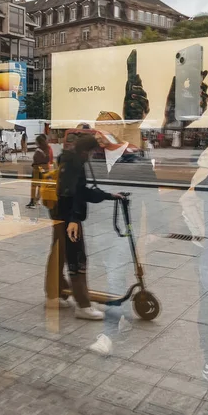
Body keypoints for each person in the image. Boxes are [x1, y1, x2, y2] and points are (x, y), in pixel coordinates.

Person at [45, 134, 121, 320]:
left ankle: (54, 295)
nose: (94, 155)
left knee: (59, 254)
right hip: (69, 218)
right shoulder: (75, 164)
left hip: (59, 216)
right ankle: (83, 304)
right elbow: (74, 194)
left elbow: (79, 191)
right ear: (87, 150)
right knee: (76, 258)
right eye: (94, 151)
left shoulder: (68, 159)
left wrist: (108, 195)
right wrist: (74, 219)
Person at [26, 134, 52, 208]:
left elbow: (36, 161)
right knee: (40, 185)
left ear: (38, 142)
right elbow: (48, 160)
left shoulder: (38, 151)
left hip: (37, 169)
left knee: (34, 186)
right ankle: (37, 200)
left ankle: (32, 201)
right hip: (44, 169)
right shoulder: (47, 149)